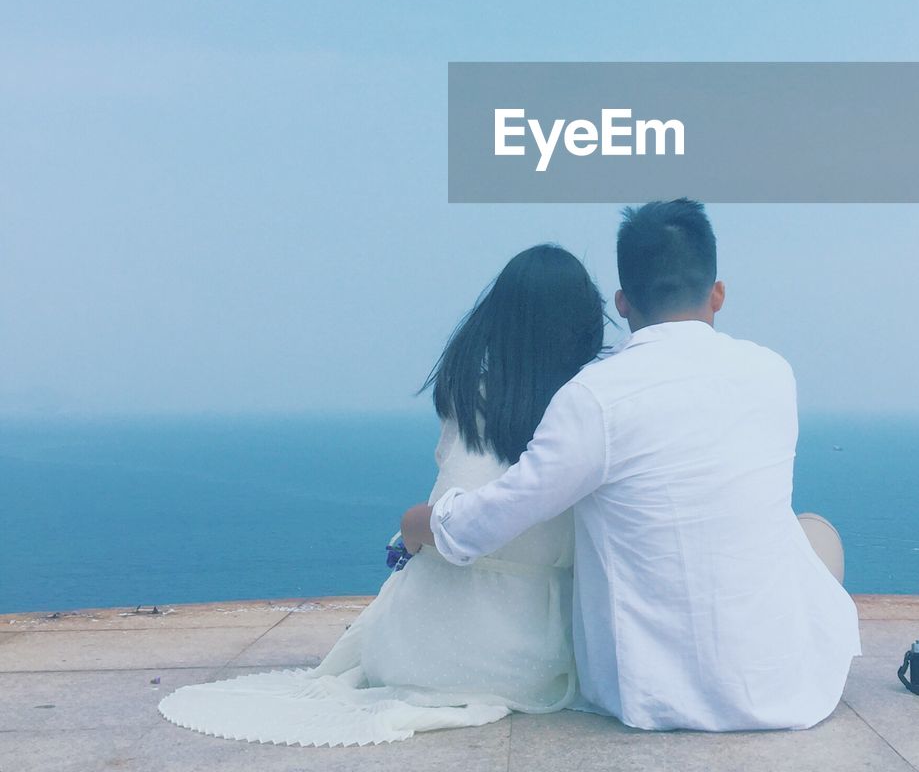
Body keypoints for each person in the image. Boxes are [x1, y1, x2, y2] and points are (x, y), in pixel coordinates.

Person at [401, 199, 861, 732]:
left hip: (650, 694)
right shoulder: (773, 374)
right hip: (782, 687)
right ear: (718, 293)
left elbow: (489, 523)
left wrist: (421, 521)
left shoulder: (595, 398)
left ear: (622, 302)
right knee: (814, 531)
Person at [158, 244, 606, 747]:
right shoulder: (594, 404)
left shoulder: (471, 394)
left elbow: (450, 493)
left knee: (407, 563)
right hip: (541, 661)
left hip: (423, 650)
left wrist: (412, 529)